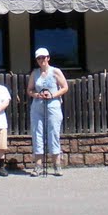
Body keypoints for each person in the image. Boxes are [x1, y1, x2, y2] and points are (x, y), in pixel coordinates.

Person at [27, 47, 68, 176]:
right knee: (37, 133)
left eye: (43, 57)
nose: (41, 60)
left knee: (53, 133)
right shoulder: (35, 73)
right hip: (38, 106)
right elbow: (29, 90)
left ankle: (56, 164)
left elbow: (65, 87)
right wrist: (36, 95)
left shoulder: (55, 71)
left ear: (48, 58)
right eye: (39, 58)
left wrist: (53, 95)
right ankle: (38, 165)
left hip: (53, 105)